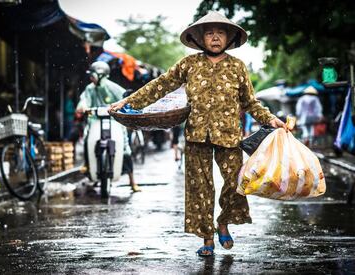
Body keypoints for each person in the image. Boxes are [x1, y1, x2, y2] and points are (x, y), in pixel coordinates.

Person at [109, 11, 286, 256]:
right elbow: (160, 85)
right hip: (196, 135)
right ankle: (207, 238)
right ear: (201, 39)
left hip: (229, 136)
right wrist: (128, 102)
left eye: (220, 33)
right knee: (199, 188)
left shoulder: (237, 67)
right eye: (209, 33)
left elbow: (251, 103)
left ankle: (223, 221)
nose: (215, 38)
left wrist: (271, 119)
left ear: (229, 38)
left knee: (236, 182)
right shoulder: (188, 64)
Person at [76, 61, 141, 193]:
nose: (91, 78)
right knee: (87, 138)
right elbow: (83, 100)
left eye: (93, 75)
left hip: (115, 122)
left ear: (100, 75)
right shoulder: (89, 88)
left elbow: (125, 97)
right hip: (94, 121)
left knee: (125, 148)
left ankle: (132, 181)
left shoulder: (113, 87)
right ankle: (88, 164)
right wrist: (82, 106)